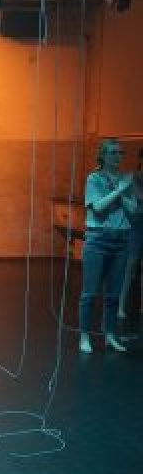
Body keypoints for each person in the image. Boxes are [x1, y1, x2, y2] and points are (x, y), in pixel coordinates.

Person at [79, 137, 137, 354]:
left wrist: (125, 193)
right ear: (102, 155)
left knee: (113, 294)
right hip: (98, 239)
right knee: (89, 293)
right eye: (113, 152)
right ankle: (84, 336)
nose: (118, 156)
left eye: (121, 152)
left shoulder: (125, 179)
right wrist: (120, 191)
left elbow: (133, 209)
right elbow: (98, 207)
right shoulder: (94, 179)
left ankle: (110, 334)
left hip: (121, 240)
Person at [118, 147, 143, 319]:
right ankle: (120, 305)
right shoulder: (130, 179)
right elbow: (127, 206)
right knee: (130, 265)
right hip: (135, 226)